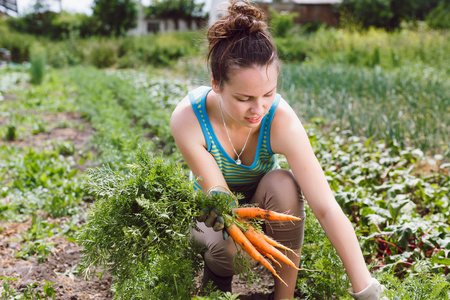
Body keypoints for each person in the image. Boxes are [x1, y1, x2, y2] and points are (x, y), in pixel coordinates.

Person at [170, 1, 388, 299]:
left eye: (268, 94)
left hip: (261, 205)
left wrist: (367, 290)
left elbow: (325, 206)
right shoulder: (189, 119)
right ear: (216, 84)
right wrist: (221, 211)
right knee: (228, 247)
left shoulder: (280, 120)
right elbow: (220, 197)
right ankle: (217, 282)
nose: (258, 109)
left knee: (284, 183)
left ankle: (283, 297)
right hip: (212, 216)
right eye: (244, 98)